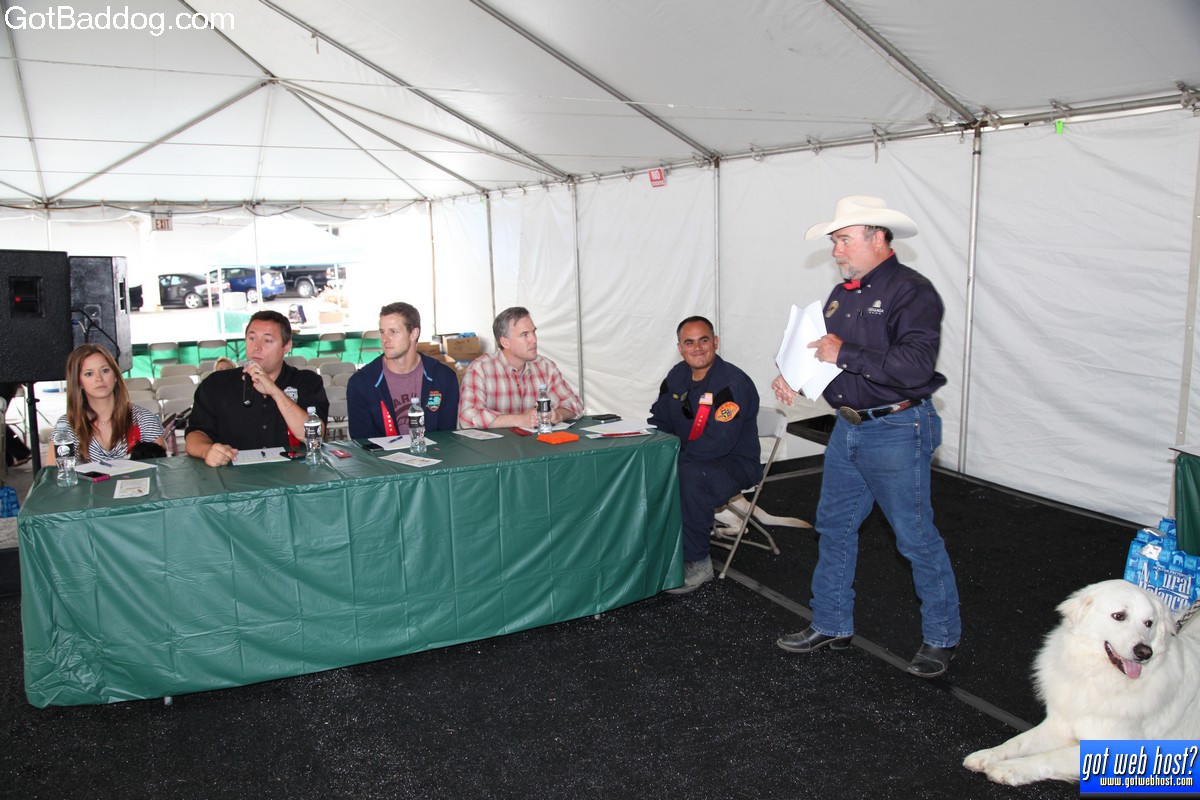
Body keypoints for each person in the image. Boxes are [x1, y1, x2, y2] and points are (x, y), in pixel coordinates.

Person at [772, 195, 961, 678]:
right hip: (849, 427)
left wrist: (845, 352)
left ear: (878, 238)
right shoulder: (842, 294)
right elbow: (825, 357)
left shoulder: (912, 291)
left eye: (843, 240)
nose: (836, 250)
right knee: (834, 528)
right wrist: (795, 378)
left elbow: (914, 366)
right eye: (835, 241)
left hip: (897, 428)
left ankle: (942, 637)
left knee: (915, 538)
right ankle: (831, 622)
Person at [650, 316, 762, 594]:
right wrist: (652, 450)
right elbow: (660, 419)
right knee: (648, 464)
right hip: (692, 458)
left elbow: (718, 442)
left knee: (688, 475)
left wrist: (673, 460)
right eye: (689, 342)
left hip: (733, 462)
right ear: (680, 348)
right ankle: (659, 550)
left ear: (715, 342)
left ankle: (698, 562)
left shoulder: (731, 384)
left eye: (704, 340)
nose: (697, 348)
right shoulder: (676, 376)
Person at [186, 310, 328, 466]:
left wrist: (275, 392)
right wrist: (207, 451)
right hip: (234, 475)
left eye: (267, 341)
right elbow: (195, 435)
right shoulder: (216, 383)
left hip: (293, 473)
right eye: (252, 338)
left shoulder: (307, 382)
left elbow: (315, 436)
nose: (257, 347)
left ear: (287, 346)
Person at [458, 306, 584, 429]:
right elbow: (467, 417)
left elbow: (575, 404)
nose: (533, 339)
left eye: (534, 332)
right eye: (525, 334)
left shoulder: (546, 367)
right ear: (505, 342)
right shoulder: (480, 369)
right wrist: (520, 420)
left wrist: (558, 414)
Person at [347, 302, 460, 438]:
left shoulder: (444, 378)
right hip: (382, 452)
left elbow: (447, 438)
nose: (385, 339)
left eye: (393, 332)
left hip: (433, 450)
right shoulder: (361, 383)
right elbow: (362, 443)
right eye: (382, 332)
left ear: (414, 334)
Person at [53, 344, 165, 464]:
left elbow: (161, 468)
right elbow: (54, 472)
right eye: (89, 374)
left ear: (115, 375)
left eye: (105, 371)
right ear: (78, 382)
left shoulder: (143, 418)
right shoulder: (67, 425)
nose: (99, 378)